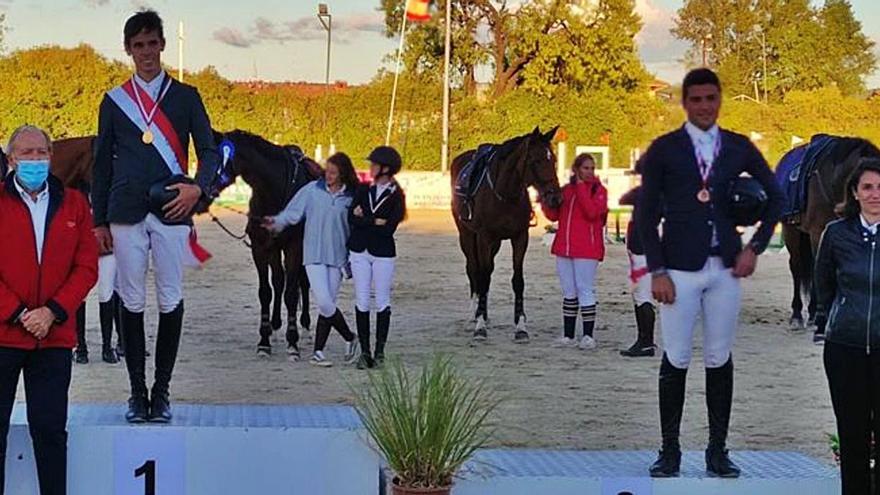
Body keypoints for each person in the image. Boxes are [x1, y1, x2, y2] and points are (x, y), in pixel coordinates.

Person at [638, 68, 782, 478]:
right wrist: (657, 270)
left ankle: (717, 451)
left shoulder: (738, 146)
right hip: (678, 270)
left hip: (725, 269)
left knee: (719, 356)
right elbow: (645, 215)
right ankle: (669, 451)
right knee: (677, 356)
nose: (704, 106)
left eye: (710, 98)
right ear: (685, 102)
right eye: (696, 99)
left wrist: (755, 246)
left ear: (720, 100)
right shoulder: (665, 149)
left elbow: (776, 195)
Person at [91, 10, 219, 423]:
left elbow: (210, 151)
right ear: (128, 50)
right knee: (130, 299)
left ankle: (161, 392)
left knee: (169, 297)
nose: (146, 52)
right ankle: (136, 393)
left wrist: (199, 188)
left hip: (172, 207)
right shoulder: (114, 101)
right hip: (125, 211)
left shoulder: (187, 96)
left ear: (162, 44)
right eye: (138, 45)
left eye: (152, 43)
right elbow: (101, 165)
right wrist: (98, 221)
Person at [0, 125, 99, 495]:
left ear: (51, 156)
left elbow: (86, 267)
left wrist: (52, 312)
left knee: (51, 432)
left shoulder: (75, 204)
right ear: (11, 160)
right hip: (4, 335)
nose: (35, 159)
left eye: (41, 152)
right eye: (26, 153)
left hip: (53, 337)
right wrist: (19, 313)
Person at [815, 158, 880, 495]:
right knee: (852, 435)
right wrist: (834, 319)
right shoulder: (836, 234)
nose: (875, 194)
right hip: (845, 349)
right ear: (854, 192)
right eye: (867, 187)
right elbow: (823, 285)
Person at [263, 152, 359, 367]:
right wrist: (275, 222)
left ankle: (318, 353)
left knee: (328, 306)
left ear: (343, 174)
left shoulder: (351, 196)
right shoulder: (312, 190)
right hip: (313, 255)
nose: (328, 175)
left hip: (337, 256)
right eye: (327, 171)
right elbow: (293, 213)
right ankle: (350, 337)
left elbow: (356, 225)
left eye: (333, 173)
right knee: (324, 302)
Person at [541, 153, 608, 350]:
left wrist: (580, 187)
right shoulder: (566, 190)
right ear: (576, 169)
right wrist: (545, 201)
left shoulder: (598, 190)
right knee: (569, 291)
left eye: (592, 168)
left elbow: (592, 212)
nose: (590, 172)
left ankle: (588, 336)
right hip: (565, 247)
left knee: (584, 288)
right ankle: (568, 335)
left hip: (587, 248)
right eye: (586, 168)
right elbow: (554, 215)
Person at [348, 146, 406, 369]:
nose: (370, 168)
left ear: (385, 169)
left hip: (383, 252)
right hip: (359, 251)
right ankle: (365, 352)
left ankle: (380, 351)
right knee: (362, 300)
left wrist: (364, 219)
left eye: (374, 164)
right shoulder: (363, 189)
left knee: (382, 300)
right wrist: (374, 221)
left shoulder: (397, 196)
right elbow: (351, 218)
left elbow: (389, 228)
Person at [619, 160, 657, 358]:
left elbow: (624, 198)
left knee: (642, 296)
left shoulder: (647, 192)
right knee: (641, 295)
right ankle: (644, 340)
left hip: (642, 249)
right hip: (644, 248)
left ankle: (646, 341)